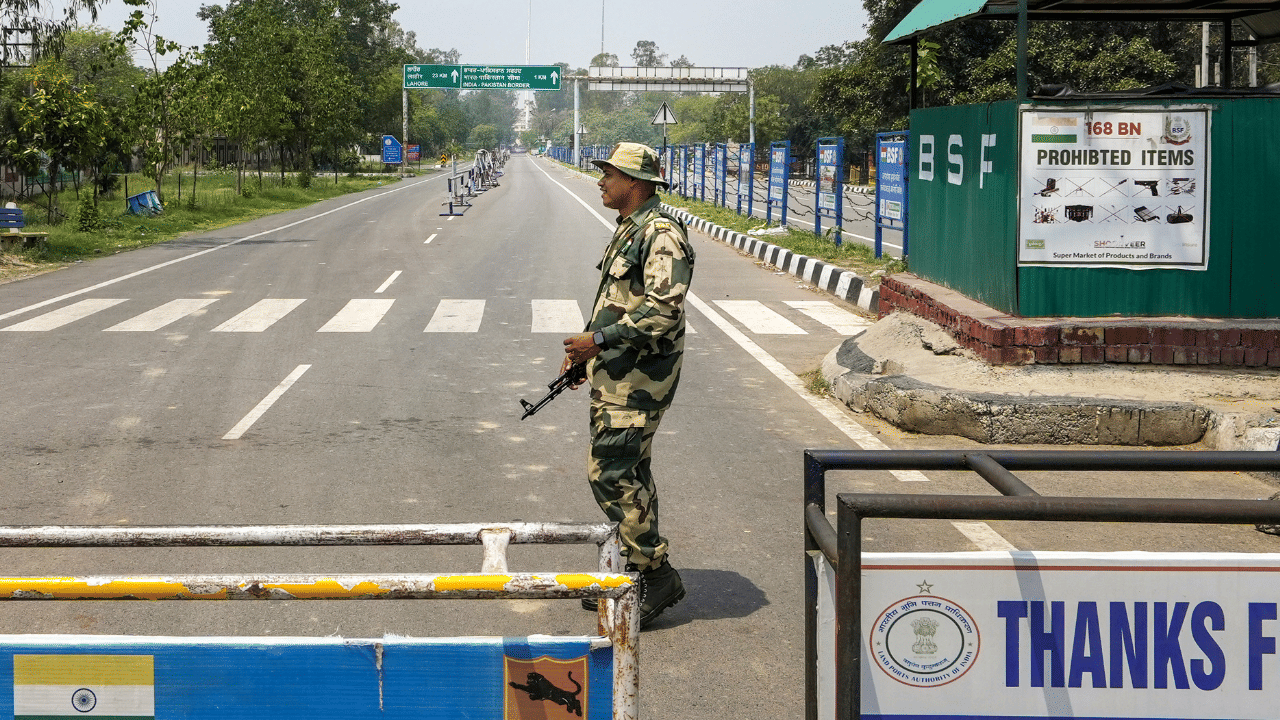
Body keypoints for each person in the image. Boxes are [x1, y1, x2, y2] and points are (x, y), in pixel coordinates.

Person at [561, 142, 695, 628]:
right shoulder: (631, 228)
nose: (601, 181)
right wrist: (584, 355)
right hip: (620, 373)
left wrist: (598, 340)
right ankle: (632, 573)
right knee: (629, 471)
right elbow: (618, 302)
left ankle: (653, 576)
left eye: (609, 174)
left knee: (611, 473)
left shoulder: (661, 235)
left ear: (634, 183)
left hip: (639, 380)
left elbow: (662, 311)